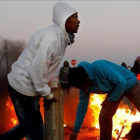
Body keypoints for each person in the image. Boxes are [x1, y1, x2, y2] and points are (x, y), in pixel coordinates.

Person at [0, 2, 80, 140]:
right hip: (22, 88)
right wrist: (47, 94)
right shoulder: (52, 39)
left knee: (27, 126)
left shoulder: (60, 37)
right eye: (75, 17)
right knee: (37, 133)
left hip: (29, 87)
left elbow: (49, 66)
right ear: (64, 19)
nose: (79, 21)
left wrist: (52, 82)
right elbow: (36, 71)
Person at [66, 60, 140, 140]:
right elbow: (82, 107)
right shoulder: (84, 87)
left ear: (85, 78)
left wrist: (110, 100)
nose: (79, 88)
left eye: (79, 85)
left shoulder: (99, 68)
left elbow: (122, 83)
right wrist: (76, 130)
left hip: (129, 83)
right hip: (114, 89)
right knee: (104, 116)